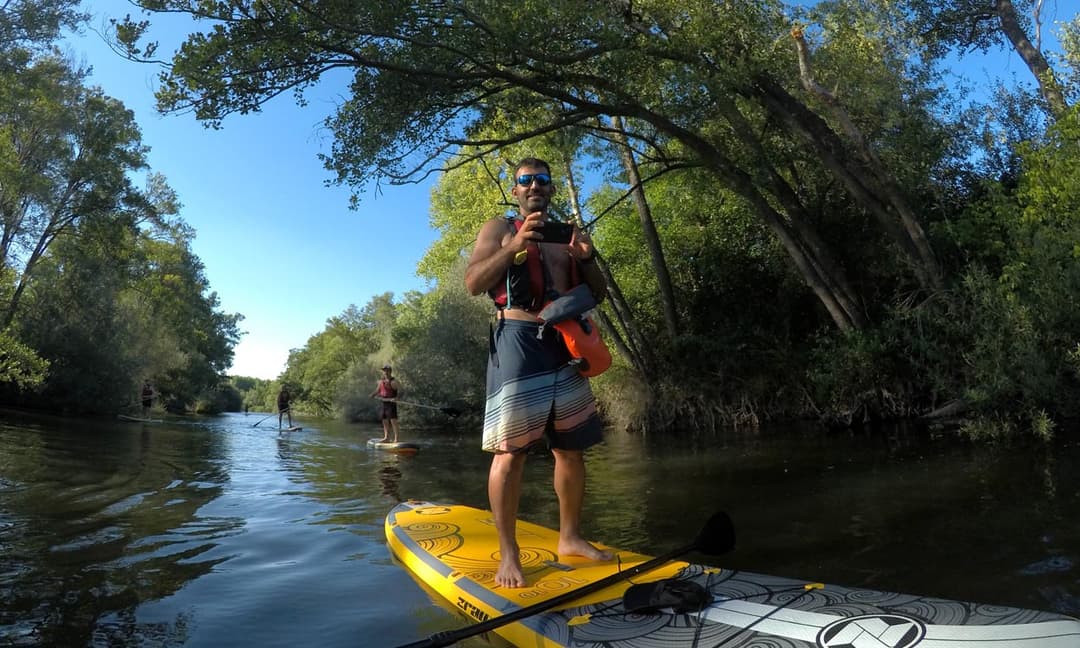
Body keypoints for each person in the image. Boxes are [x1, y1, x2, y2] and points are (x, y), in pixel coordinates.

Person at [464, 157, 611, 588]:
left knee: (571, 449)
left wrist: (586, 258)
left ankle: (571, 538)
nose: (534, 186)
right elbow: (473, 283)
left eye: (541, 180)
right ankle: (509, 555)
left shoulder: (565, 233)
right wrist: (512, 247)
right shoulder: (499, 228)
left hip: (563, 345)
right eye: (525, 180)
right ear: (515, 190)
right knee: (510, 453)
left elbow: (595, 292)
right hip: (517, 342)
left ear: (549, 188)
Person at [370, 364, 401, 442]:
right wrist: (372, 395)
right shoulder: (381, 381)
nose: (385, 372)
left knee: (393, 421)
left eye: (387, 370)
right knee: (384, 420)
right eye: (384, 371)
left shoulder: (394, 381)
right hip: (384, 403)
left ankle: (396, 439)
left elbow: (402, 391)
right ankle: (386, 437)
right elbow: (378, 390)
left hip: (391, 403)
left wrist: (397, 398)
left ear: (390, 371)